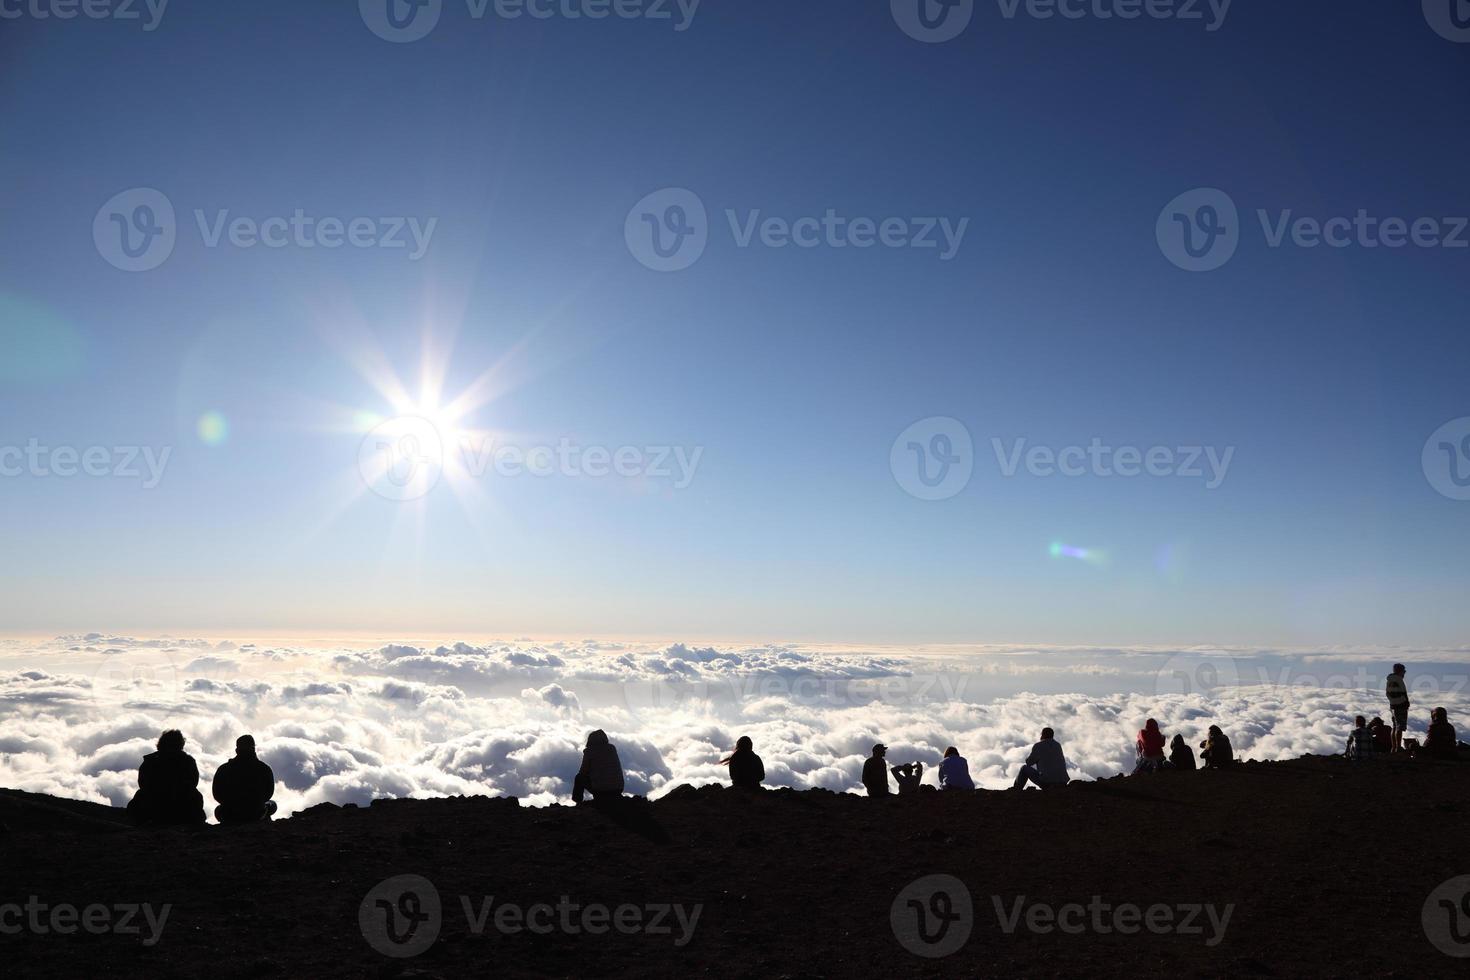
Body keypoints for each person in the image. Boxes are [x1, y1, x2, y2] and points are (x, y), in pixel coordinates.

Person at [126, 730, 206, 827]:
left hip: (154, 806)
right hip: (180, 807)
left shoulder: (151, 760)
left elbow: (142, 783)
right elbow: (194, 782)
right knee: (196, 796)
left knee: (140, 797)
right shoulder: (188, 761)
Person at [212, 735, 277, 824]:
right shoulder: (264, 768)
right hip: (255, 814)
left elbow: (217, 794)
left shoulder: (223, 769)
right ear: (253, 749)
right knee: (272, 805)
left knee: (218, 810)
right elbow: (268, 794)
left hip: (229, 814)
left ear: (237, 750)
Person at [572, 730, 625, 804]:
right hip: (618, 789)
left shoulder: (589, 751)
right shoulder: (612, 748)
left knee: (579, 778)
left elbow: (583, 772)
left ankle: (578, 802)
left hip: (601, 791)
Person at [1387, 663, 1410, 753]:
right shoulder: (1398, 680)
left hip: (1393, 705)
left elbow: (1388, 694)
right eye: (1403, 671)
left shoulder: (1390, 680)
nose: (1404, 673)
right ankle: (1398, 748)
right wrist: (1405, 702)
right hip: (1400, 706)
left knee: (1394, 726)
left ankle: (1393, 747)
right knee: (1399, 727)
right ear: (1400, 671)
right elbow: (1403, 693)